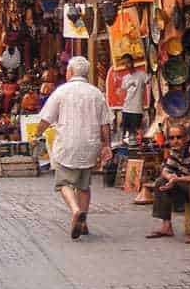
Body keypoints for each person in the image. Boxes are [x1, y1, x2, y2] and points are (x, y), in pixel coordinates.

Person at [36, 56, 113, 240]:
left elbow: (47, 118)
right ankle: (84, 223)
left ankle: (76, 210)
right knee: (84, 185)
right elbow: (105, 123)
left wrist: (37, 134)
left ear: (70, 72)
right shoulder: (96, 93)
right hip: (90, 143)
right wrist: (106, 144)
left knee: (63, 182)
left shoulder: (62, 92)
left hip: (67, 143)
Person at [146, 124, 190, 244]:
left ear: (186, 138)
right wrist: (170, 178)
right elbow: (165, 170)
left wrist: (177, 180)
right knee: (161, 181)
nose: (175, 141)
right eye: (172, 138)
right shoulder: (175, 152)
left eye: (179, 137)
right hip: (188, 189)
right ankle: (166, 226)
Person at [117, 54, 149, 140]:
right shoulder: (125, 78)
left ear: (133, 62)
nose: (127, 65)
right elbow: (123, 92)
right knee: (125, 135)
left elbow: (150, 85)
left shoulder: (142, 75)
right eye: (124, 63)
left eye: (128, 62)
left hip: (137, 109)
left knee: (135, 135)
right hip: (126, 109)